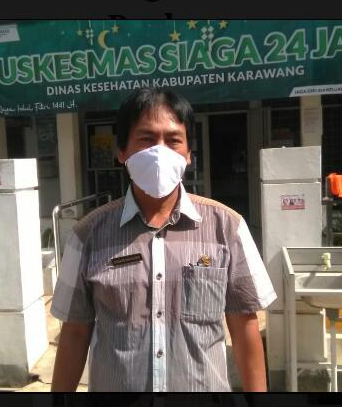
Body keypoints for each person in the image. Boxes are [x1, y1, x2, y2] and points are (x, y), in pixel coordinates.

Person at [50, 88, 276, 392]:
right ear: (122, 152)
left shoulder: (228, 228)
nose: (160, 151)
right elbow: (75, 332)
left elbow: (244, 326)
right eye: (146, 139)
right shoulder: (87, 234)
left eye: (173, 140)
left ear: (189, 154)